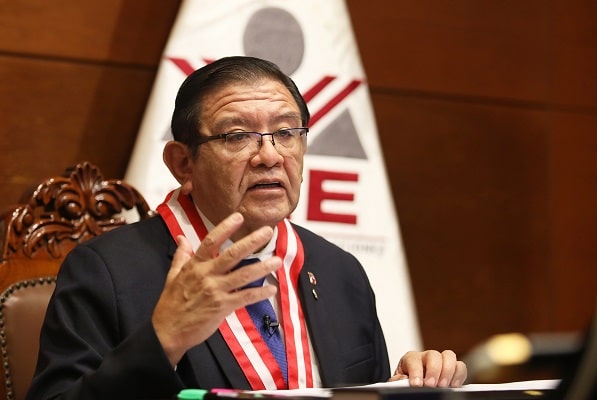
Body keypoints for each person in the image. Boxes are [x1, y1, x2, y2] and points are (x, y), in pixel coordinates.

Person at [27, 56, 467, 400]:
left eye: (287, 132)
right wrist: (163, 342)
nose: (270, 156)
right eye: (237, 136)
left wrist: (407, 386)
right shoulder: (107, 273)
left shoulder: (339, 272)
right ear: (183, 163)